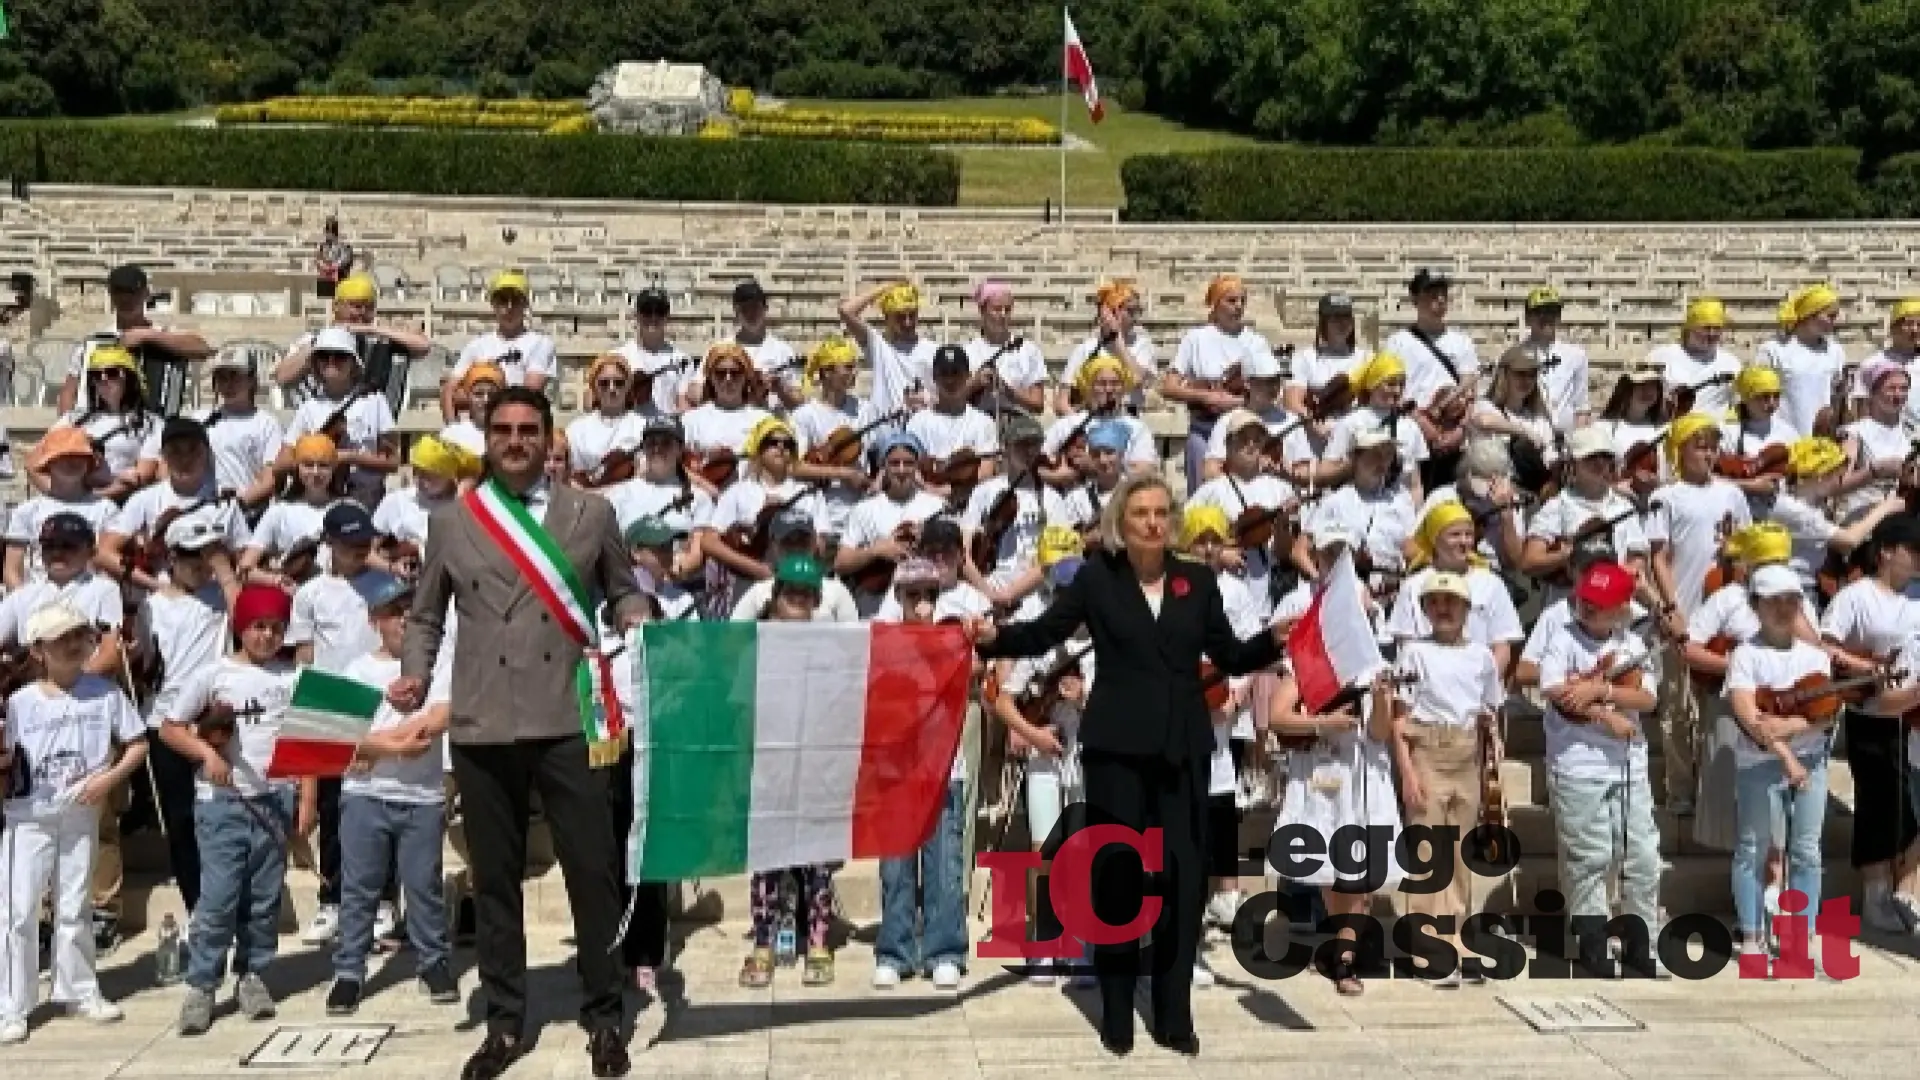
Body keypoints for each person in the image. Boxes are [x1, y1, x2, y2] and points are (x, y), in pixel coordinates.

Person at [970, 473, 1286, 1058]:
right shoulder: (1097, 579)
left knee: (1182, 883)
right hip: (1117, 748)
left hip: (1182, 748)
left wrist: (1272, 640)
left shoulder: (1197, 580)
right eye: (1141, 512)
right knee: (1116, 880)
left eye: (1163, 512)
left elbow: (1231, 654)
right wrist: (992, 640)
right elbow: (1045, 634)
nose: (1153, 522)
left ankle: (1174, 1014)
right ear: (1121, 521)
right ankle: (1116, 1013)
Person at [394, 385, 645, 1080]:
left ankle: (604, 1015)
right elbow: (424, 615)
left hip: (568, 716)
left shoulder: (593, 513)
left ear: (547, 436)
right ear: (484, 435)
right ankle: (505, 1022)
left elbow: (622, 588)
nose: (515, 440)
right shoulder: (452, 521)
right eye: (502, 428)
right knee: (495, 879)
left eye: (528, 429)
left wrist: (634, 615)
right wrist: (415, 674)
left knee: (592, 873)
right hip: (482, 718)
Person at [161, 584, 315, 1036]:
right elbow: (171, 729)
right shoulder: (213, 675)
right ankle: (203, 984)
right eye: (258, 627)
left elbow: (306, 743)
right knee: (219, 898)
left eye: (275, 628)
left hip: (274, 799)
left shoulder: (292, 679)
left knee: (264, 898)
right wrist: (206, 756)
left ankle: (254, 974)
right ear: (240, 628)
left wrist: (306, 799)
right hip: (223, 805)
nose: (266, 636)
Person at [0, 604, 148, 1044]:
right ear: (39, 649)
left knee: (75, 905)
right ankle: (14, 1003)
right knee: (20, 911)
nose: (72, 644)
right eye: (61, 638)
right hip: (28, 819)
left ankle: (78, 988)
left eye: (78, 636)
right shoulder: (20, 701)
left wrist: (108, 779)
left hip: (81, 812)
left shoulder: (104, 693)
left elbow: (137, 743)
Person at [328, 574, 458, 1015]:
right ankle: (349, 971)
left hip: (421, 795)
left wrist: (380, 744)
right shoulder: (357, 672)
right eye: (393, 612)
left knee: (423, 886)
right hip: (365, 794)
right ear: (374, 620)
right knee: (360, 887)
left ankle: (433, 962)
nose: (403, 620)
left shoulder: (436, 664)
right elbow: (340, 742)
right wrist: (394, 746)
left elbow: (437, 719)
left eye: (410, 611)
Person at [1537, 562, 1665, 976]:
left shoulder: (1630, 645)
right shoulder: (1563, 639)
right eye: (1586, 604)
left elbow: (1646, 699)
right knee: (1590, 856)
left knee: (1641, 854)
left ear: (1622, 609)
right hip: (1578, 763)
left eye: (1601, 606)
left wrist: (1604, 689)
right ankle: (1592, 940)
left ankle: (1640, 940)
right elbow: (1557, 691)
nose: (1590, 611)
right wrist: (1606, 715)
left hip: (1628, 765)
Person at [1385, 572, 1504, 987]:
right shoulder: (1414, 653)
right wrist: (1408, 771)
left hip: (1466, 750)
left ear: (1467, 609)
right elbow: (1400, 719)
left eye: (1451, 601)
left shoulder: (1482, 657)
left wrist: (1491, 758)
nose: (1443, 609)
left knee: (1459, 853)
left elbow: (1490, 708)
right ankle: (1424, 945)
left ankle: (1455, 936)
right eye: (1435, 602)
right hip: (1428, 747)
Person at [1723, 564, 1838, 960]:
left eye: (1792, 600)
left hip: (1812, 757)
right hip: (1760, 764)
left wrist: (1788, 725)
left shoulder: (1815, 657)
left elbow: (1824, 711)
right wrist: (1787, 754)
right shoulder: (1744, 655)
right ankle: (1753, 934)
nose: (1785, 608)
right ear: (1756, 605)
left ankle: (1798, 936)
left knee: (1806, 849)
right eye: (1775, 601)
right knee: (1753, 848)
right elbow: (1749, 716)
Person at [741, 554, 844, 990]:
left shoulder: (834, 648)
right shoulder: (755, 644)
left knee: (817, 860)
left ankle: (818, 943)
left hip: (817, 764)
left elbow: (843, 705)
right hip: (769, 764)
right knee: (766, 860)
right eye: (791, 593)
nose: (798, 601)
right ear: (776, 597)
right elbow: (738, 703)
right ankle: (763, 943)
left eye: (807, 594)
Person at [871, 558, 973, 991]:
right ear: (899, 598)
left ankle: (944, 950)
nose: (922, 603)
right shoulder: (883, 642)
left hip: (944, 770)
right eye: (913, 594)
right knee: (895, 868)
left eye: (930, 594)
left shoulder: (954, 637)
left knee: (943, 865)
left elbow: (982, 675)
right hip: (896, 774)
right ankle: (894, 950)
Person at [57, 264, 213, 416]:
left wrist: (147, 335)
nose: (126, 299)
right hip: (98, 428)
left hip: (154, 430)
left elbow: (202, 349)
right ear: (111, 295)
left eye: (132, 292)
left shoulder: (163, 335)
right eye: (119, 292)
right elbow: (69, 391)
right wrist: (65, 428)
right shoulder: (94, 342)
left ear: (146, 294)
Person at [1162, 275, 1271, 488]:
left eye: (1242, 301)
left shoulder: (1256, 341)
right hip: (1204, 428)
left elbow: (1271, 391)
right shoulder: (1195, 339)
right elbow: (1169, 386)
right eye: (1231, 301)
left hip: (1245, 434)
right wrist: (1205, 396)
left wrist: (1236, 403)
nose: (1238, 306)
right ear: (1216, 303)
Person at [276, 329, 398, 510]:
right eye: (324, 356)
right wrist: (318, 456)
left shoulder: (375, 400)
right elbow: (281, 463)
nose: (331, 362)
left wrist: (350, 457)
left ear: (353, 363)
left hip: (367, 498)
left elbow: (393, 461)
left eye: (340, 356)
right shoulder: (309, 407)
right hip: (321, 501)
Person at [7, 427, 115, 589]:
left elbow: (109, 564)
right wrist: (24, 605)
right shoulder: (27, 511)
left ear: (89, 463)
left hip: (90, 595)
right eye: (63, 456)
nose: (72, 462)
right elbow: (11, 570)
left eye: (79, 456)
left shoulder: (107, 509)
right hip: (39, 596)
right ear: (48, 462)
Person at [441, 272, 557, 419]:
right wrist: (452, 429)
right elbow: (449, 391)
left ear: (525, 304)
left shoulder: (541, 343)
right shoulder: (476, 345)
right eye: (502, 300)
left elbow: (528, 393)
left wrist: (474, 394)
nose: (509, 307)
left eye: (515, 300)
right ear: (493, 305)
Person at [1058, 280, 1156, 418]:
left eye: (1138, 311)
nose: (1136, 317)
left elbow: (1138, 379)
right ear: (1114, 311)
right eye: (1131, 311)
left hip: (1127, 418)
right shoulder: (1085, 349)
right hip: (1091, 418)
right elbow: (1062, 401)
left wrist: (1117, 339)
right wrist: (1078, 424)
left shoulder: (1142, 345)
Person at [964, 281, 1048, 415]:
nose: (1003, 315)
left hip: (1016, 424)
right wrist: (975, 383)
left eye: (1007, 309)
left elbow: (1038, 405)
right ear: (982, 311)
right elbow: (952, 399)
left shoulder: (1029, 350)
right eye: (997, 309)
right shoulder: (968, 351)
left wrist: (1008, 391)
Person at [315, 217, 354, 299]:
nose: (327, 235)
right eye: (326, 232)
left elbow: (346, 260)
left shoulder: (344, 246)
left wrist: (333, 266)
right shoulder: (323, 246)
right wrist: (322, 264)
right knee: (325, 301)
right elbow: (319, 259)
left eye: (329, 232)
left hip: (339, 278)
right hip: (325, 277)